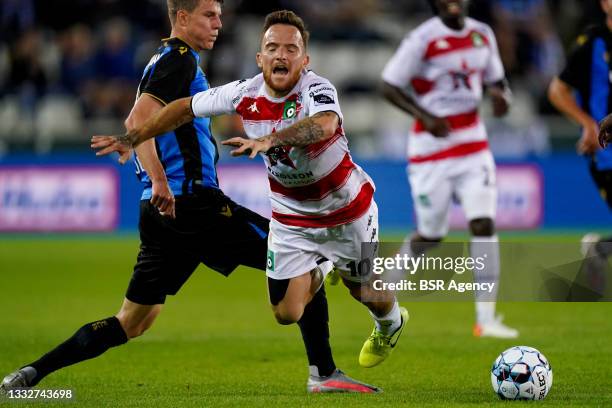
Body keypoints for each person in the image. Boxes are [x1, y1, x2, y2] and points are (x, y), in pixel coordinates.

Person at [0, 1, 371, 395]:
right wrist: (160, 178)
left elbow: (137, 125)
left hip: (160, 213)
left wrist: (153, 179)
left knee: (133, 321)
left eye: (220, 15)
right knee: (301, 252)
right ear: (182, 18)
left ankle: (30, 375)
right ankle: (324, 373)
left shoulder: (160, 60)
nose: (219, 23)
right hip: (193, 204)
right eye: (209, 15)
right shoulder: (178, 59)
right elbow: (137, 120)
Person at [91, 9, 409, 382]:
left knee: (367, 292)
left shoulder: (317, 89)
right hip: (291, 217)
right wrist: (136, 136)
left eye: (291, 49)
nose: (281, 55)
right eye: (272, 47)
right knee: (286, 313)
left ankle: (390, 324)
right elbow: (182, 109)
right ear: (259, 58)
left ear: (304, 60)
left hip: (346, 210)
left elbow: (325, 125)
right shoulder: (244, 92)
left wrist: (271, 139)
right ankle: (323, 264)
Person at [379, 0, 518, 338]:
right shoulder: (421, 39)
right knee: (430, 235)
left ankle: (486, 319)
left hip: (473, 146)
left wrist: (503, 100)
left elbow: (498, 85)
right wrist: (425, 116)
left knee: (483, 223)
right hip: (432, 151)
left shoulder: (483, 35)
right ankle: (383, 286)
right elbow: (388, 85)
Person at [548, 0, 612, 283]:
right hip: (606, 150)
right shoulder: (592, 44)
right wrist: (587, 124)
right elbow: (557, 90)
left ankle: (600, 249)